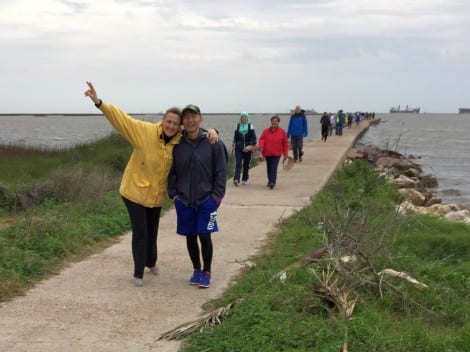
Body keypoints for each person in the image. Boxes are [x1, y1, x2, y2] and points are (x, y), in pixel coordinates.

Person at [84, 82, 218, 287]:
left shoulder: (178, 139)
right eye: (169, 121)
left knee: (152, 231)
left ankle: (151, 261)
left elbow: (196, 133)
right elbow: (122, 120)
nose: (171, 126)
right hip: (134, 191)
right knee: (141, 231)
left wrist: (213, 130)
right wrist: (99, 103)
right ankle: (138, 272)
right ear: (162, 120)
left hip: (155, 196)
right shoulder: (144, 132)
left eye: (176, 124)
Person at [168, 104, 227, 289]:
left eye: (194, 117)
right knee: (190, 236)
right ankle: (196, 269)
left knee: (205, 235)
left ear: (200, 119)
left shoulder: (213, 142)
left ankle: (207, 271)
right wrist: (174, 195)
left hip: (207, 200)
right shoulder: (177, 144)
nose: (190, 120)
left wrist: (216, 198)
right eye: (186, 118)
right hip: (184, 200)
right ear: (182, 122)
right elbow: (172, 172)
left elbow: (222, 171)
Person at [258, 115, 289, 189]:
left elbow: (285, 143)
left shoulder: (282, 132)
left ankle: (272, 182)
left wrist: (285, 154)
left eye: (276, 121)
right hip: (267, 153)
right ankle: (269, 181)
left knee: (273, 167)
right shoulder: (265, 131)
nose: (274, 122)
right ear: (271, 122)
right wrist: (261, 147)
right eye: (273, 121)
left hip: (277, 153)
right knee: (269, 168)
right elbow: (261, 139)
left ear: (278, 122)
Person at [232, 112, 257, 186]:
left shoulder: (250, 126)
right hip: (238, 148)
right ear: (240, 118)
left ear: (247, 118)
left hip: (247, 148)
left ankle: (244, 179)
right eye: (242, 117)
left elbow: (254, 138)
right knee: (238, 164)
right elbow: (235, 138)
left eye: (245, 117)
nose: (244, 119)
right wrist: (234, 143)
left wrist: (251, 145)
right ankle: (236, 179)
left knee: (246, 164)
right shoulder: (237, 126)